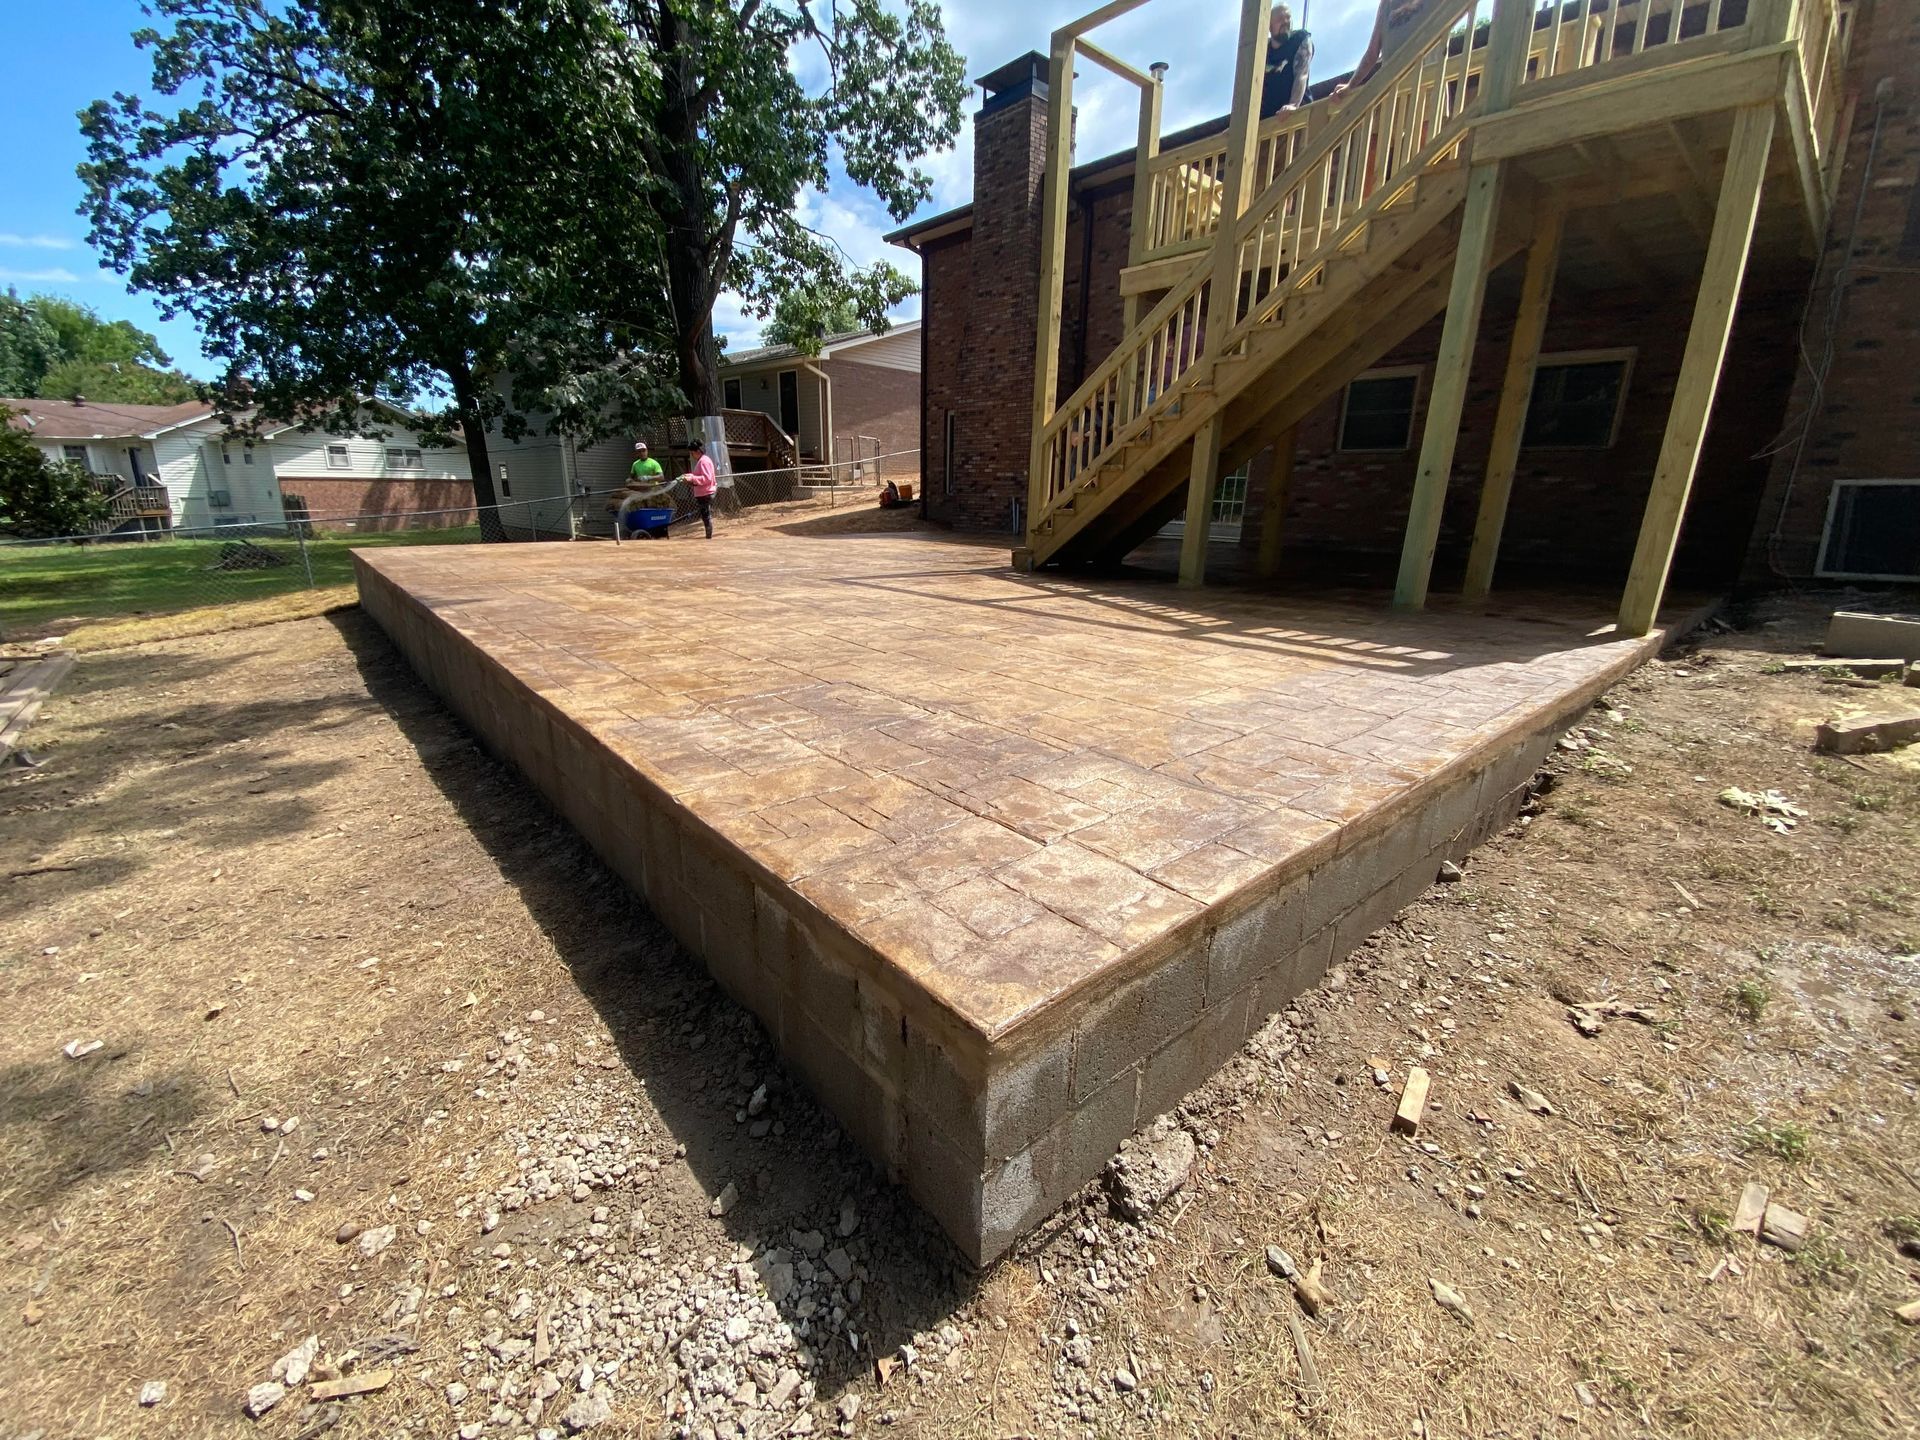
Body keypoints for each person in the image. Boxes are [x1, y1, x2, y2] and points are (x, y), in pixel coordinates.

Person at [1338, 0, 1438, 94]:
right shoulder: (1385, 4)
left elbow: (1371, 55)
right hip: (1399, 94)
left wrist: (1350, 86)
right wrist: (1350, 86)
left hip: (1426, 87)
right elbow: (1371, 56)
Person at [1260, 3, 1313, 118]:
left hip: (1297, 116)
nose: (1285, 21)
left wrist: (1293, 104)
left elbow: (1302, 74)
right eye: (1280, 19)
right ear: (1269, 26)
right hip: (1268, 120)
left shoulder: (1300, 39)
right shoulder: (1262, 51)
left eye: (1288, 17)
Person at [684, 450, 718, 538]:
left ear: (697, 452)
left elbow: (706, 478)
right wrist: (690, 477)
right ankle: (708, 536)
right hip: (703, 492)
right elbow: (699, 476)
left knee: (706, 515)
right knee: (705, 515)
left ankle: (708, 537)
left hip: (705, 492)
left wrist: (692, 478)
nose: (692, 455)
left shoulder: (703, 461)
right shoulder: (702, 460)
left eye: (692, 453)